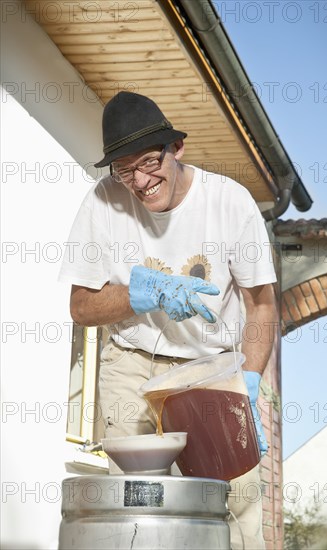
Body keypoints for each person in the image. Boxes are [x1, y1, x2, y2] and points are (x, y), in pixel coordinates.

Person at [59, 91, 278, 549]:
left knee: (232, 500)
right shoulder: (103, 201)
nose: (139, 181)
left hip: (210, 368)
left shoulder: (229, 202)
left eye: (149, 162)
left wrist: (250, 382)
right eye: (124, 170)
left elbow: (261, 304)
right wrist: (142, 294)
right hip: (133, 362)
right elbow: (81, 306)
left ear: (175, 148)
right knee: (133, 502)